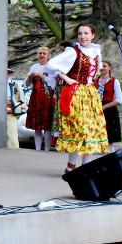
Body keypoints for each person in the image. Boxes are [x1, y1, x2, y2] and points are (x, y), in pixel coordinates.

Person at [46, 23, 109, 174]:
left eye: (86, 33)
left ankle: (85, 168)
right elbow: (52, 64)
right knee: (80, 130)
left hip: (90, 94)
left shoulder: (95, 51)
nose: (83, 36)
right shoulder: (73, 52)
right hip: (76, 94)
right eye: (80, 33)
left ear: (92, 35)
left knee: (91, 131)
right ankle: (71, 167)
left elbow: (94, 73)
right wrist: (66, 78)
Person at [24, 47, 56, 151]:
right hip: (35, 96)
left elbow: (53, 82)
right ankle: (37, 148)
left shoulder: (51, 67)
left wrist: (40, 75)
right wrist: (29, 77)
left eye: (44, 53)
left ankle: (47, 148)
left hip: (46, 96)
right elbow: (27, 84)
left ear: (48, 55)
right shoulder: (34, 66)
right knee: (37, 125)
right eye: (40, 53)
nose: (41, 55)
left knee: (46, 125)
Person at [95, 60, 122, 152]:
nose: (102, 68)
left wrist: (104, 106)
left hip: (109, 111)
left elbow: (119, 99)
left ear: (110, 68)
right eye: (101, 66)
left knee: (109, 138)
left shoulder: (114, 81)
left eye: (105, 66)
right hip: (95, 109)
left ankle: (110, 157)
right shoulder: (95, 80)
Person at [5, 67, 23, 149]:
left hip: (11, 110)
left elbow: (19, 98)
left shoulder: (14, 84)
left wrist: (17, 108)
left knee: (12, 133)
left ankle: (13, 149)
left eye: (8, 73)